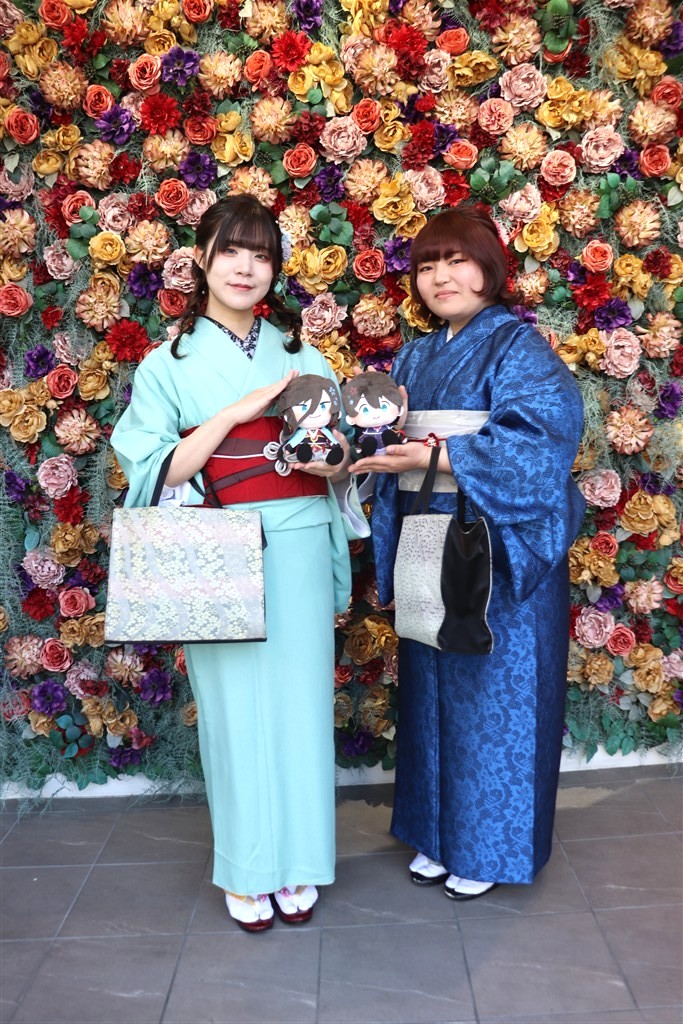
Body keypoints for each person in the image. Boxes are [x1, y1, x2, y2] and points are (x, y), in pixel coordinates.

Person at [111, 195, 365, 931]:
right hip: (218, 547)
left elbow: (337, 454)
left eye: (261, 255)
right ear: (202, 260)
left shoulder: (303, 355)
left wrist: (337, 462)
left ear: (275, 269)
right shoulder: (167, 364)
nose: (246, 267)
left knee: (301, 704)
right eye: (230, 250)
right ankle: (250, 866)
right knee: (232, 713)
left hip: (299, 538)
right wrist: (232, 414)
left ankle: (301, 858)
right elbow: (155, 467)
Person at [351, 206, 585, 900]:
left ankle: (488, 847)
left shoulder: (517, 348)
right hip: (428, 531)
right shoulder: (416, 355)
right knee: (431, 683)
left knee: (494, 693)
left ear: (489, 268)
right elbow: (390, 440)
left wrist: (434, 455)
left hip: (497, 543)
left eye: (456, 260)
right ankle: (437, 835)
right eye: (427, 265)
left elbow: (542, 443)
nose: (441, 277)